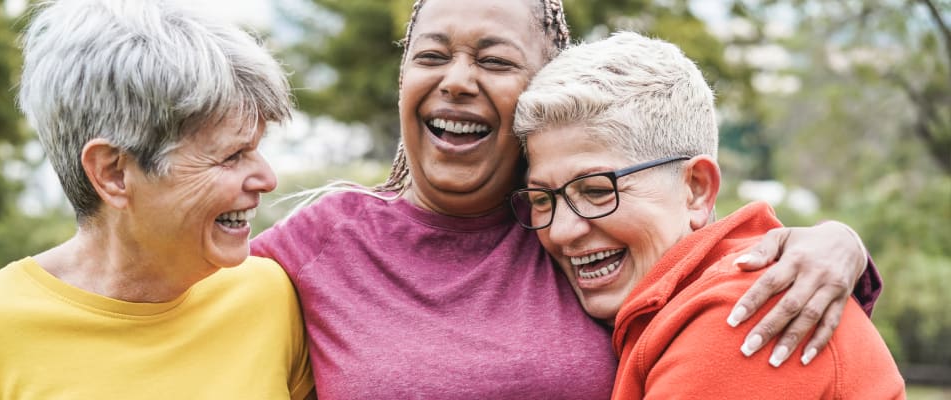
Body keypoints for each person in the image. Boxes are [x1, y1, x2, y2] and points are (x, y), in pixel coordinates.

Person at [250, 0, 880, 398]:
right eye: (431, 56)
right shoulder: (324, 240)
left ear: (534, 95)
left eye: (494, 61)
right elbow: (183, 290)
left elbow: (702, 243)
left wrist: (834, 244)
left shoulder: (562, 237)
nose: (458, 79)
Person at [509, 31, 904, 398]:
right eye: (543, 199)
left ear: (697, 189)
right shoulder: (671, 302)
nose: (561, 231)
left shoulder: (748, 313)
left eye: (596, 190)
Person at [0, 0, 314, 398]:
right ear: (113, 173)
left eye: (257, 149)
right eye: (231, 156)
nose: (267, 179)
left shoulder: (271, 298)